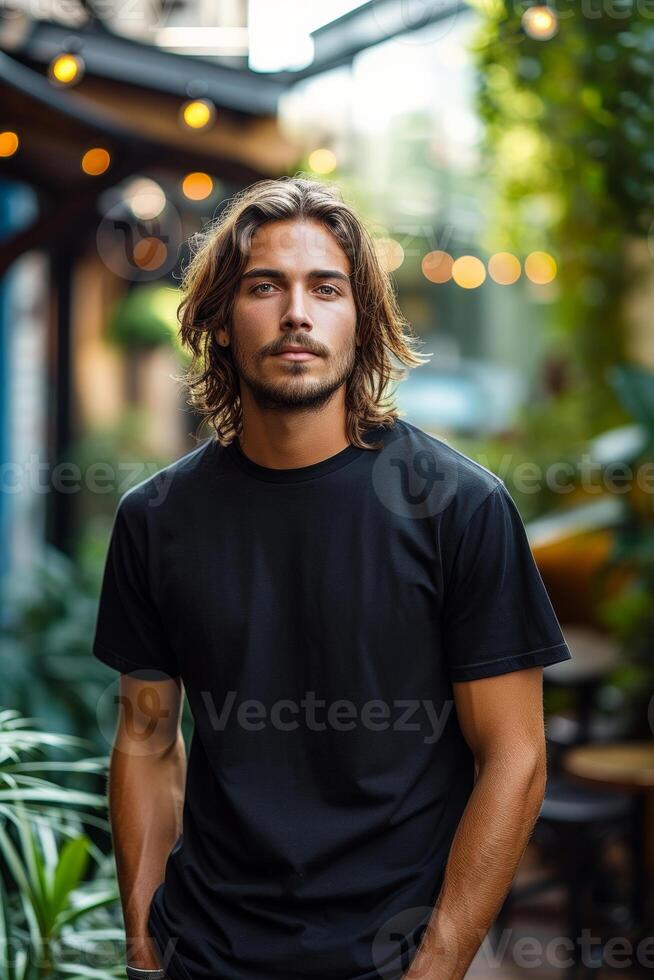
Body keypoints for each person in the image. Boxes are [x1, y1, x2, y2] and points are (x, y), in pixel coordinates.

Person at [92, 175, 572, 980]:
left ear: (364, 320)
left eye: (326, 288)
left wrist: (439, 962)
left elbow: (515, 757)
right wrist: (145, 945)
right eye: (263, 286)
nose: (296, 315)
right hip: (205, 953)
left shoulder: (458, 508)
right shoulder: (157, 519)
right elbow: (146, 736)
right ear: (219, 318)